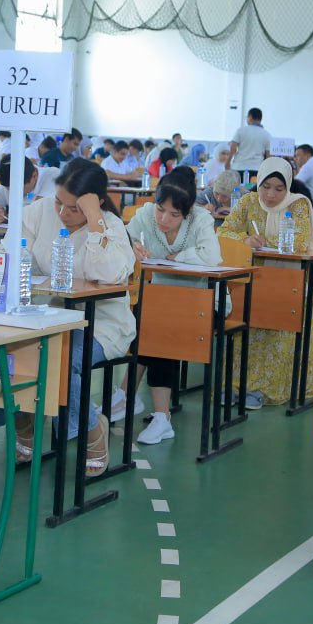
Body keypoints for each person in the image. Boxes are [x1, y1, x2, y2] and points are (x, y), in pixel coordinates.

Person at [6, 158, 134, 475]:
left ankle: (93, 435)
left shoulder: (111, 227)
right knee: (7, 351)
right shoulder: (39, 213)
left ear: (95, 203)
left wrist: (93, 220)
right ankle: (27, 427)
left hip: (101, 326)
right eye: (59, 203)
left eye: (74, 207)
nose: (63, 213)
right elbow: (11, 250)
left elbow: (107, 274)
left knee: (59, 359)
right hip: (48, 316)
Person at [113, 167, 221, 443]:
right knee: (153, 322)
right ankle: (152, 411)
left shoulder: (202, 219)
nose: (163, 219)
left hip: (204, 302)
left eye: (174, 215)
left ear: (187, 212)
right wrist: (133, 245)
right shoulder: (146, 215)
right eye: (161, 209)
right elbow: (121, 236)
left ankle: (136, 400)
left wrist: (177, 256)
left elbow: (210, 256)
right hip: (160, 301)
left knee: (158, 327)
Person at [217, 157, 313, 406]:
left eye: (278, 188)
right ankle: (236, 385)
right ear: (257, 183)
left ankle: (264, 389)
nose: (271, 194)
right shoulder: (248, 201)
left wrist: (270, 242)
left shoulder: (298, 205)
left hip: (288, 281)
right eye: (265, 186)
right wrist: (245, 240)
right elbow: (224, 231)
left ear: (288, 187)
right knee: (246, 330)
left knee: (277, 332)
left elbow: (301, 242)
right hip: (252, 278)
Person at [0, 156, 61, 223]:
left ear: (34, 176)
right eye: (9, 189)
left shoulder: (53, 176)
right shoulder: (9, 183)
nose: (14, 193)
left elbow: (36, 213)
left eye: (19, 189)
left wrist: (6, 216)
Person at [228, 107, 271, 180]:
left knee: (237, 190)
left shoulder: (241, 130)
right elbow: (268, 156)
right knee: (253, 191)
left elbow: (233, 147)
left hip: (239, 167)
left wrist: (228, 162)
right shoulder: (267, 134)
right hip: (257, 169)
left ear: (250, 117)